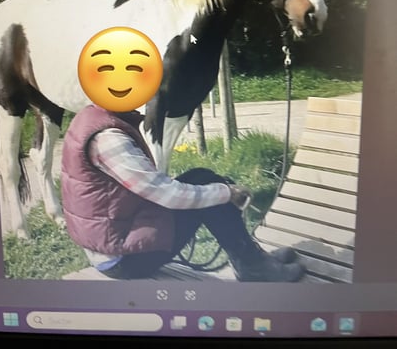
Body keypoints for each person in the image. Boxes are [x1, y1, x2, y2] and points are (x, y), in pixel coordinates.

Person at [61, 103, 305, 282]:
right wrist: (226, 193)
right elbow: (167, 195)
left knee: (201, 178)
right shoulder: (109, 139)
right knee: (212, 191)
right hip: (125, 260)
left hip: (114, 242)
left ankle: (251, 258)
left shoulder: (91, 116)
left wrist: (219, 189)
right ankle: (253, 267)